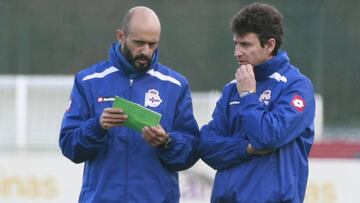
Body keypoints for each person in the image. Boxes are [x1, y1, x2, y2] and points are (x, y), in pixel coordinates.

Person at [59, 6, 199, 203]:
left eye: (152, 44)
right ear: (121, 36)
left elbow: (191, 151)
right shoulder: (89, 81)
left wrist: (166, 141)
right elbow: (69, 145)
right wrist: (97, 127)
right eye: (139, 43)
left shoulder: (175, 85)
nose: (146, 51)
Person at [198, 3, 315, 203]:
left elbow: (267, 137)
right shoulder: (231, 89)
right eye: (235, 43)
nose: (237, 52)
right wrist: (246, 149)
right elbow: (207, 146)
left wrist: (249, 95)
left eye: (245, 45)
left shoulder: (297, 87)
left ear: (270, 45)